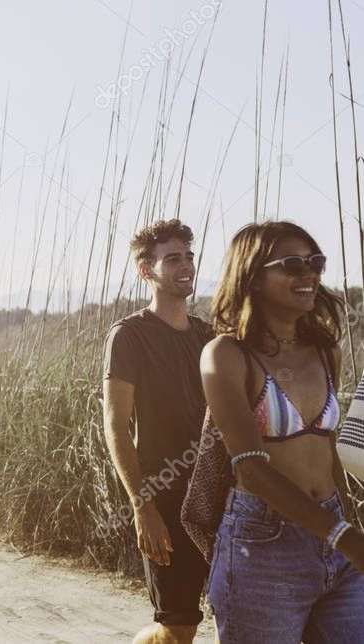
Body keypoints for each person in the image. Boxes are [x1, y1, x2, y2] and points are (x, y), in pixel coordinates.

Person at [201, 221, 364, 642]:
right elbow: (251, 470)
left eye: (316, 262)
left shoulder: (326, 351)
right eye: (292, 264)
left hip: (336, 539)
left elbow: (328, 456)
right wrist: (345, 537)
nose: (308, 274)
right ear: (252, 276)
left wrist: (345, 526)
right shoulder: (226, 355)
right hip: (262, 547)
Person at [103, 219, 214, 643]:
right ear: (146, 271)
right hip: (164, 498)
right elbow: (115, 424)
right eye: (173, 260)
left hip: (215, 495)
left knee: (233, 612)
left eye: (188, 257)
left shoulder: (207, 335)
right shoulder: (128, 335)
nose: (186, 266)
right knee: (178, 625)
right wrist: (142, 506)